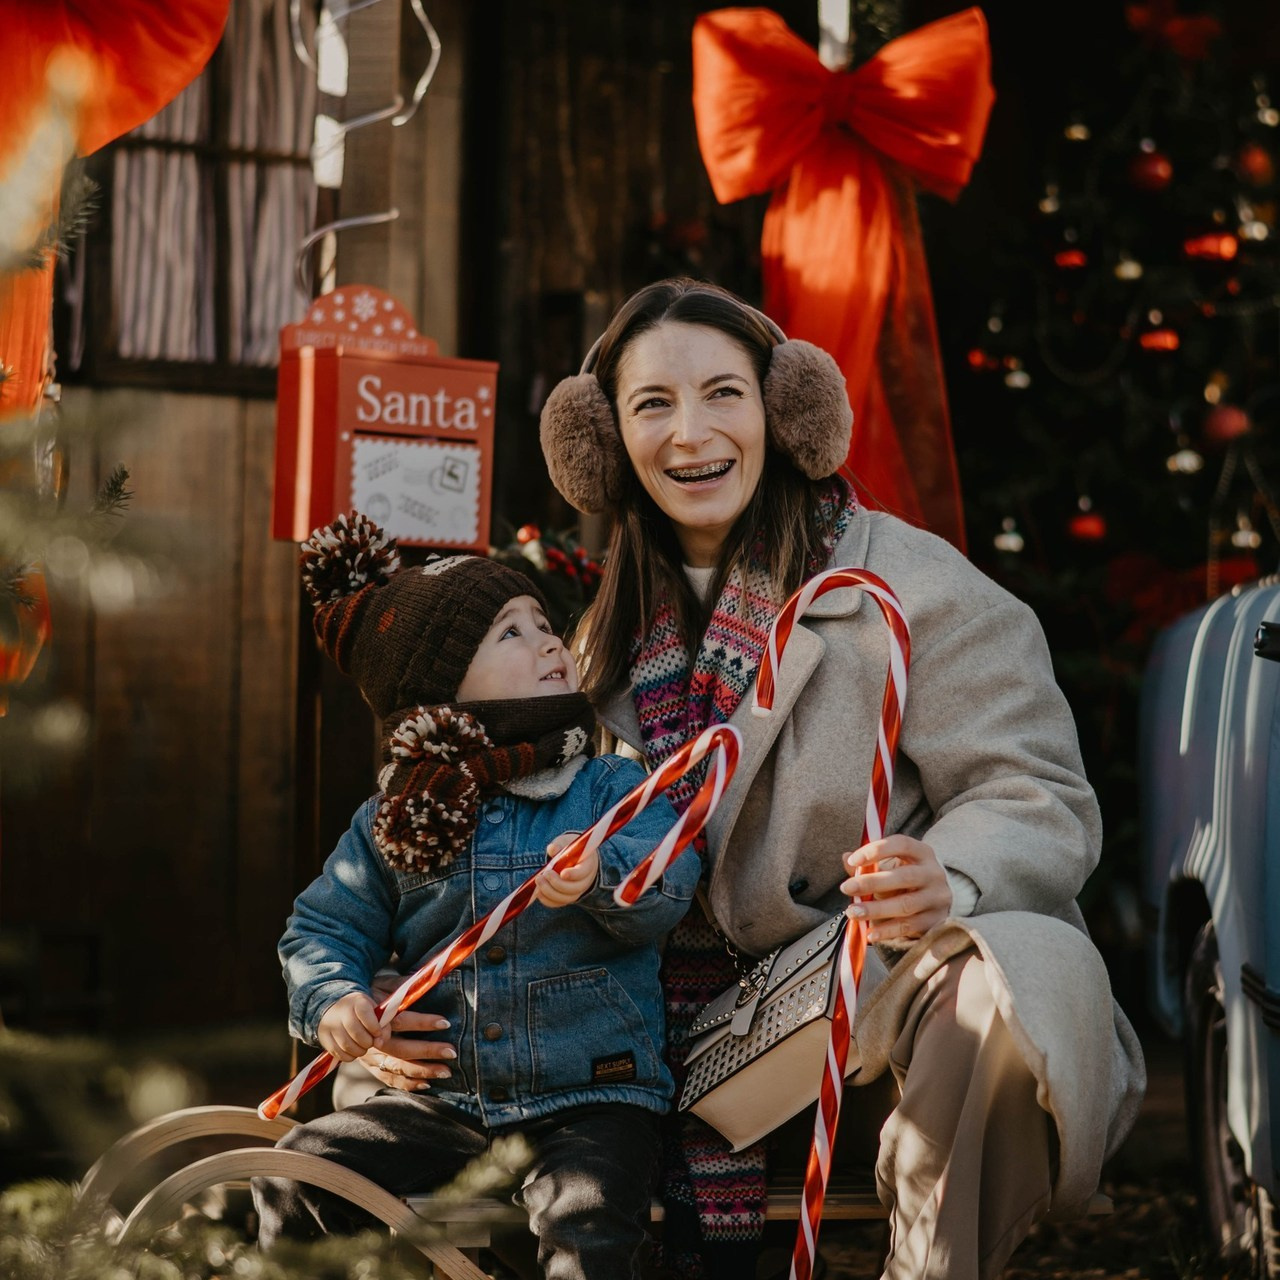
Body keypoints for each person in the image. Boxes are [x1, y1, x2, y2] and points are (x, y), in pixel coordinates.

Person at [529, 276, 1148, 1280]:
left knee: (1011, 970)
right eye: (652, 403)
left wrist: (945, 871)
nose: (691, 432)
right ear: (603, 441)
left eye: (723, 392)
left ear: (784, 409)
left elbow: (1034, 784)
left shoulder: (905, 582)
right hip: (666, 1025)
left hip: (868, 998)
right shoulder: (592, 637)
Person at [252, 511, 699, 1280]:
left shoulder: (607, 787)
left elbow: (671, 881)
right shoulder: (400, 816)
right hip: (444, 1104)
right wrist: (331, 1001)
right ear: (440, 687)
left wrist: (600, 879)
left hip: (592, 1095)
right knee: (298, 1170)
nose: (550, 640)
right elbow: (322, 927)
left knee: (588, 1220)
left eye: (544, 624)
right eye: (511, 634)